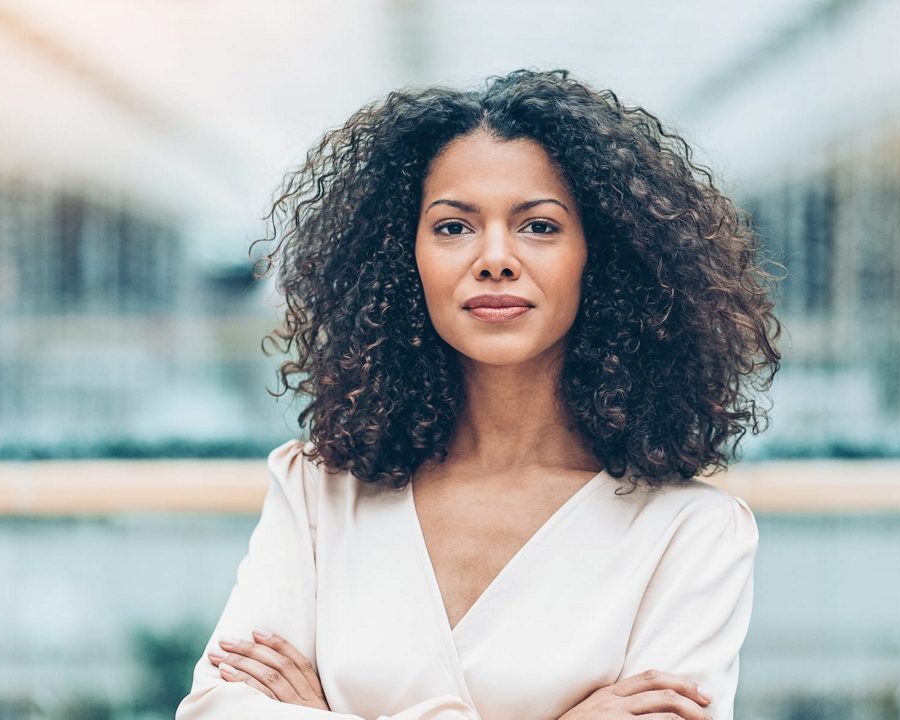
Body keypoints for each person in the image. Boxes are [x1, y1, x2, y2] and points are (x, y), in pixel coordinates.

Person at [175, 68, 782, 720]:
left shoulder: (691, 534)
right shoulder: (321, 490)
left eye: (540, 227)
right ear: (404, 259)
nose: (494, 257)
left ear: (601, 258)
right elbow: (215, 710)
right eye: (453, 228)